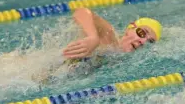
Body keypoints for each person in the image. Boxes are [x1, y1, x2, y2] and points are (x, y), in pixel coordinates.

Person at [32, 7, 162, 85]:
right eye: (141, 33)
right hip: (32, 69)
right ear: (130, 28)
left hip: (47, 79)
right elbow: (81, 11)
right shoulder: (108, 36)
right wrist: (92, 37)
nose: (142, 41)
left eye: (150, 41)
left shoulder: (121, 61)